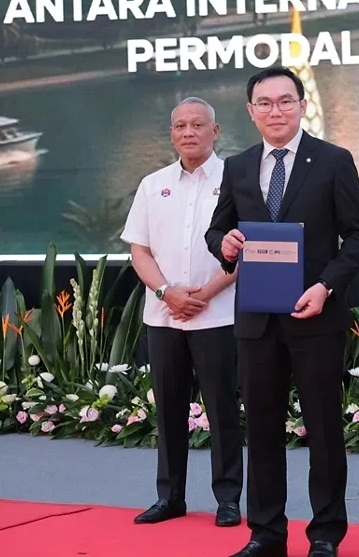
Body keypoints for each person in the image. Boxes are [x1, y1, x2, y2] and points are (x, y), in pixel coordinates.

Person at [205, 67, 359, 557]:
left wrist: (326, 287)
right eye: (264, 102)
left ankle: (324, 534)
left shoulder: (333, 160)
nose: (275, 110)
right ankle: (266, 533)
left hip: (315, 314)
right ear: (250, 110)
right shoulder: (237, 166)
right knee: (261, 426)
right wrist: (227, 244)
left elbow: (358, 236)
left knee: (323, 428)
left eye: (284, 101)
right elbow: (218, 232)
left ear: (302, 105)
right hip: (256, 320)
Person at [121, 97, 244, 528]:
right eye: (179, 126)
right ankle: (170, 497)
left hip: (219, 314)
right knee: (169, 408)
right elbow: (139, 249)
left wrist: (206, 293)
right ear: (171, 133)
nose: (188, 132)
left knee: (222, 408)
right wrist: (166, 291)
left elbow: (248, 250)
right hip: (164, 316)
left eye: (197, 124)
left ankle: (228, 499)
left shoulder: (238, 179)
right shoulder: (153, 184)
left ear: (216, 131)